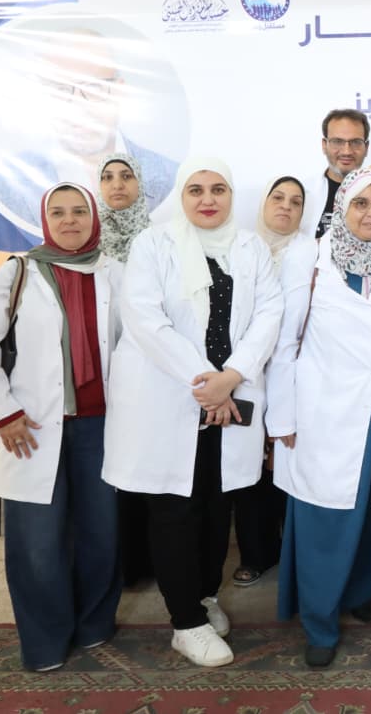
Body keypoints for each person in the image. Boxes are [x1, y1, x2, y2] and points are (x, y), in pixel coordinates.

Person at [102, 157, 283, 668]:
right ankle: (185, 623)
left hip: (227, 396)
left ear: (231, 196)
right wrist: (208, 382)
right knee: (174, 509)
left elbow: (269, 312)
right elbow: (145, 319)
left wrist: (233, 375)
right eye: (196, 190)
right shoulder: (153, 244)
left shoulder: (249, 247)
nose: (208, 199)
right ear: (182, 196)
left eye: (218, 189)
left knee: (216, 505)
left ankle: (204, 597)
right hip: (170, 395)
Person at [0, 183, 123, 672]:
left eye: (79, 211)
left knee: (102, 534)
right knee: (37, 541)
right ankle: (45, 642)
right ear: (45, 220)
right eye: (59, 213)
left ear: (93, 218)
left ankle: (95, 624)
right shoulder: (19, 272)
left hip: (102, 427)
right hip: (30, 427)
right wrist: (4, 414)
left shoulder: (115, 271)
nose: (69, 220)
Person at [268, 169, 371, 667]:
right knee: (326, 517)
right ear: (341, 208)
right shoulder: (308, 257)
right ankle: (319, 622)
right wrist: (281, 419)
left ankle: (358, 591)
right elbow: (285, 341)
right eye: (361, 204)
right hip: (322, 410)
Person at [0, 28, 178, 233]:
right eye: (60, 90)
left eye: (93, 88)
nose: (79, 107)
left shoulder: (173, 179)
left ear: (119, 91)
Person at [228, 176, 312, 589]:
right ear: (263, 203)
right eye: (278, 198)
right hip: (246, 370)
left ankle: (296, 551)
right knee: (251, 464)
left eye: (295, 202)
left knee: (289, 455)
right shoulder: (240, 249)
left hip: (295, 371)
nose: (286, 207)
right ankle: (257, 553)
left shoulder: (313, 252)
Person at [95, 153, 156, 588]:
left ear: (140, 184)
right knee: (103, 471)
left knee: (140, 466)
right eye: (108, 177)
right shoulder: (84, 243)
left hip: (145, 372)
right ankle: (108, 561)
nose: (117, 184)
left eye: (126, 176)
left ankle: (141, 561)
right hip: (96, 373)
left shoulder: (156, 240)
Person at [303, 109, 371, 240]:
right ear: (324, 145)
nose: (346, 151)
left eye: (355, 142)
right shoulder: (304, 194)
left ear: (366, 147)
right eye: (337, 142)